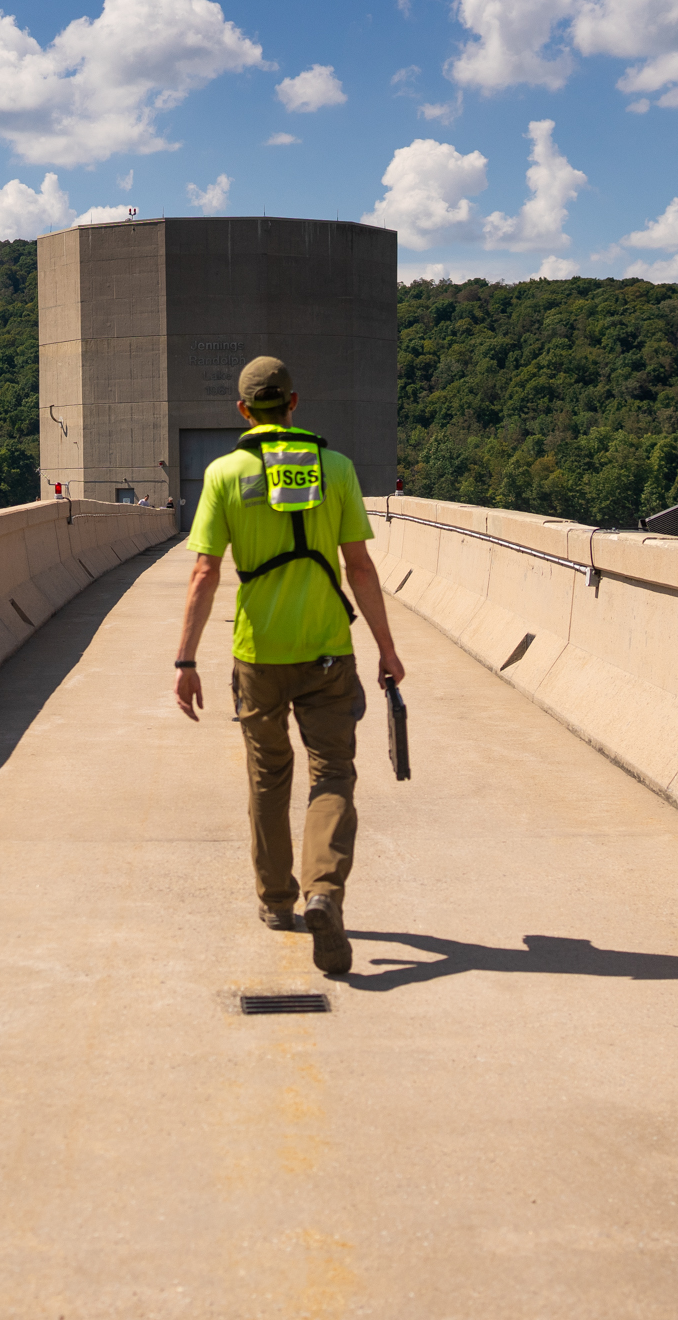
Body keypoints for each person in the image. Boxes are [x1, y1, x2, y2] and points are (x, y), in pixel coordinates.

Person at [172, 357, 406, 976]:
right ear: (294, 403)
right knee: (332, 775)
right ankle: (323, 890)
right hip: (328, 647)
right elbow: (360, 568)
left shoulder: (224, 474)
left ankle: (277, 900)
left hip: (258, 653)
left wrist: (187, 657)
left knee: (268, 778)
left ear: (244, 411)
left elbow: (204, 571)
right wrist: (386, 647)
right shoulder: (336, 468)